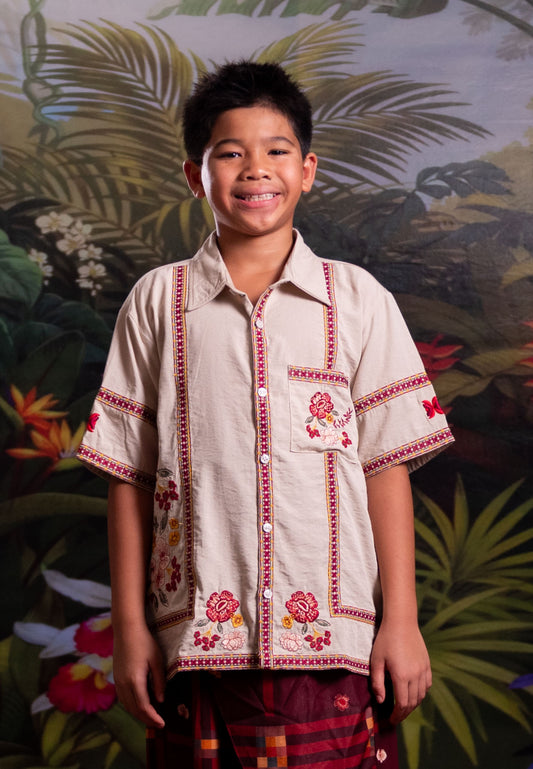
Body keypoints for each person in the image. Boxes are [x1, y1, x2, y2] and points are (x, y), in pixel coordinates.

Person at [77, 60, 454, 768]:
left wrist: (400, 622)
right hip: (195, 645)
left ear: (306, 169)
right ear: (196, 176)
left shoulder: (359, 300)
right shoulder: (158, 302)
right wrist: (129, 628)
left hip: (336, 647)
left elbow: (385, 467)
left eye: (276, 150)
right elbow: (128, 476)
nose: (255, 169)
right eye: (229, 153)